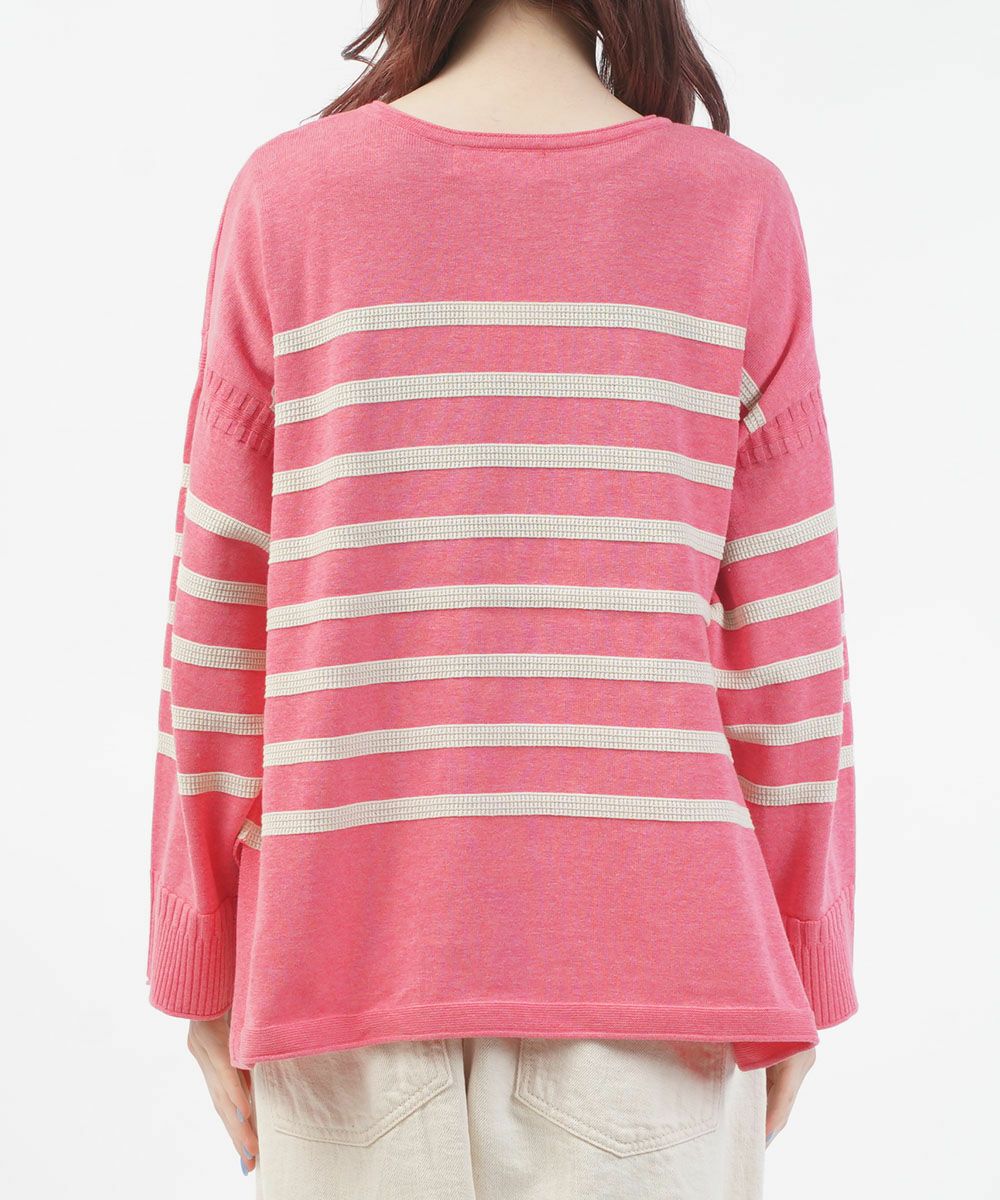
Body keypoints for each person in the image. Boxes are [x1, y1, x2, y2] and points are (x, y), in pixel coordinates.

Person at [146, 1, 859, 1195]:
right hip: (656, 1002)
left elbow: (219, 610)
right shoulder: (733, 208)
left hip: (342, 979)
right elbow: (788, 644)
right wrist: (795, 958)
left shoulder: (290, 199)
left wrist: (205, 957)